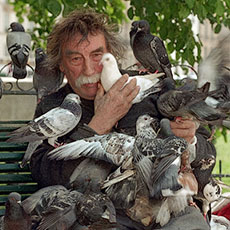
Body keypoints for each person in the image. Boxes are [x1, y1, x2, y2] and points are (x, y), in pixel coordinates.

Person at [30, 8, 216, 230]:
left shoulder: (148, 88)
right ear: (61, 65)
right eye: (76, 59)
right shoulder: (52, 107)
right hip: (100, 215)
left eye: (97, 55)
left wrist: (190, 138)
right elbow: (44, 173)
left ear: (112, 55)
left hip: (166, 210)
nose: (89, 69)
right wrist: (100, 123)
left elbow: (207, 154)